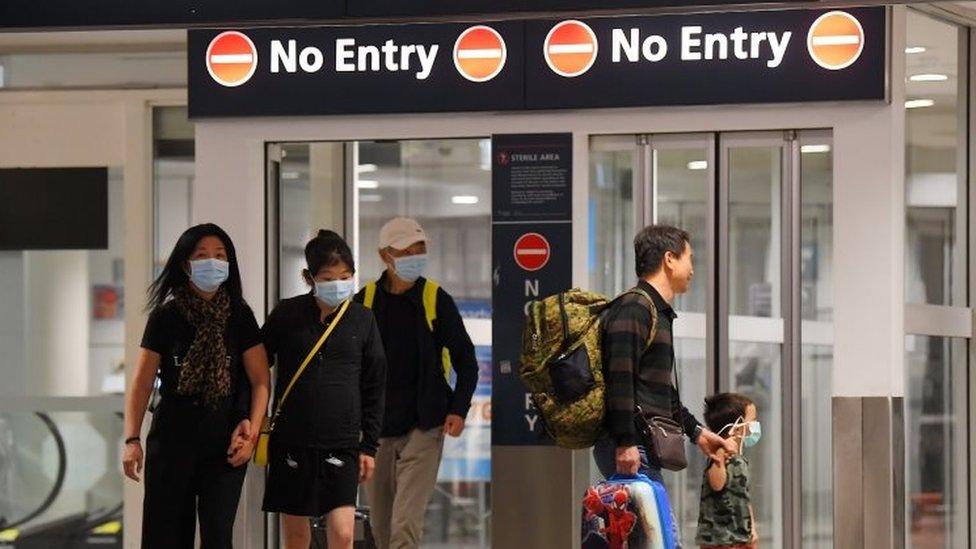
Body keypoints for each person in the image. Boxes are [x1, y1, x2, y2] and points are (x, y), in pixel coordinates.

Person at [123, 223, 271, 549]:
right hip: (173, 436)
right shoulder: (166, 317)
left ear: (230, 264)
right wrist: (132, 438)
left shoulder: (240, 316)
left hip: (225, 441)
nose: (212, 262)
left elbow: (261, 379)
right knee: (165, 536)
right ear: (185, 264)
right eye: (202, 255)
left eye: (220, 255)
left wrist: (254, 432)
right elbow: (142, 382)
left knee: (218, 536)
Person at [355, 217, 478, 549]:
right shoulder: (364, 301)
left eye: (419, 249)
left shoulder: (436, 299)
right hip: (375, 430)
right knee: (381, 527)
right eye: (405, 251)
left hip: (424, 425)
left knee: (404, 523)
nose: (414, 256)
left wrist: (458, 409)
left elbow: (467, 360)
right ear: (385, 255)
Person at [261, 230, 386, 549]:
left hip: (342, 442)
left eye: (346, 276)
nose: (339, 284)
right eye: (328, 277)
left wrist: (369, 445)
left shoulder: (362, 319)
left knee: (343, 533)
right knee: (296, 537)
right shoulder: (287, 314)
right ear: (309, 277)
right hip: (292, 440)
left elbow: (375, 384)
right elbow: (256, 364)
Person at [593, 225, 735, 479]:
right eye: (689, 259)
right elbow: (620, 380)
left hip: (642, 447)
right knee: (648, 520)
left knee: (653, 520)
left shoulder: (656, 312)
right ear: (670, 259)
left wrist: (697, 433)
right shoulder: (634, 308)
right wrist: (625, 444)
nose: (692, 269)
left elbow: (660, 392)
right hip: (630, 448)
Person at [696, 393, 761, 549]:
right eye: (752, 422)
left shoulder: (739, 459)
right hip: (719, 540)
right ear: (736, 427)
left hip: (740, 537)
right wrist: (720, 452)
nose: (755, 426)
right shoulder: (717, 456)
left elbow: (744, 497)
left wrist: (752, 528)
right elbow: (717, 483)